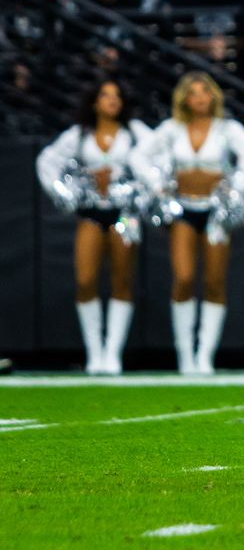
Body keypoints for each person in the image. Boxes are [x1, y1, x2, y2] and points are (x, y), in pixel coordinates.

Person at [129, 72, 244, 374]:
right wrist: (157, 183)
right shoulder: (171, 129)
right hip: (183, 208)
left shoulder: (227, 129)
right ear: (185, 99)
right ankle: (185, 355)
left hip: (216, 211)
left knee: (215, 281)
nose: (200, 98)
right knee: (183, 277)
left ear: (213, 96)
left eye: (205, 91)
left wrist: (239, 187)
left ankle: (205, 354)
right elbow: (138, 157)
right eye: (193, 93)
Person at [36, 80, 151, 374]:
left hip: (125, 214)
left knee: (122, 279)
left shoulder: (135, 133)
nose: (112, 101)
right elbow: (46, 162)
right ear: (94, 102)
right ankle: (94, 351)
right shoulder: (79, 134)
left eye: (117, 96)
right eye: (105, 95)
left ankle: (113, 353)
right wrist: (70, 192)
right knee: (86, 279)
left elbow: (157, 163)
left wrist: (137, 189)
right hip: (90, 212)